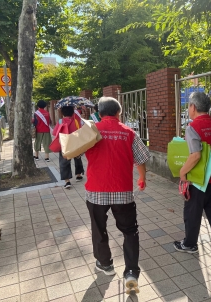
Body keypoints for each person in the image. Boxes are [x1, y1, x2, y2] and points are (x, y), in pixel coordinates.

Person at [85, 97, 150, 294]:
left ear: (100, 112)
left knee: (98, 228)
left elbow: (71, 152)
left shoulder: (92, 131)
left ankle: (105, 264)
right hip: (123, 191)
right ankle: (131, 272)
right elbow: (141, 158)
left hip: (96, 191)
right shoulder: (129, 133)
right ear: (118, 112)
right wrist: (142, 177)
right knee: (130, 230)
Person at [174, 92, 211, 274]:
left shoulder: (192, 127)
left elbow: (195, 155)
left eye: (188, 106)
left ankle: (190, 244)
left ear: (193, 107)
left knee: (192, 215)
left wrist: (182, 172)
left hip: (197, 182)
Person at [52, 106, 84, 189]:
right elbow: (80, 131)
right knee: (78, 158)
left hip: (64, 144)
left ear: (62, 112)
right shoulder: (76, 121)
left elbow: (55, 133)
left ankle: (67, 181)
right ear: (73, 112)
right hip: (75, 143)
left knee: (64, 162)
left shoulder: (60, 121)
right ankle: (79, 175)